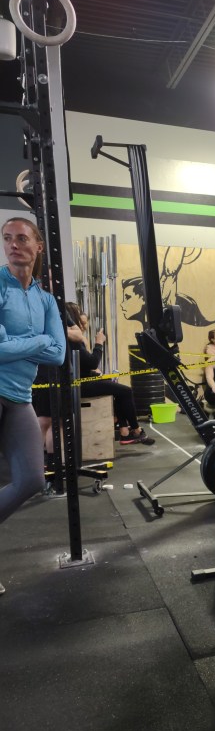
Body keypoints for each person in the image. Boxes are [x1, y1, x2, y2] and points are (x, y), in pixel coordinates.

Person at [1, 217, 67, 592]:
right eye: (7, 238)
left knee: (31, 481)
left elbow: (57, 354)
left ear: (38, 246)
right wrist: (37, 341)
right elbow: (45, 345)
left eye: (22, 238)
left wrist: (17, 343)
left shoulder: (46, 299)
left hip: (19, 397)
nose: (13, 245)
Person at [66, 302, 155, 446]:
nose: (83, 326)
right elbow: (92, 361)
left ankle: (125, 432)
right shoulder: (74, 340)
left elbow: (83, 364)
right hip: (79, 384)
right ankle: (136, 430)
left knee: (118, 389)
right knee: (125, 391)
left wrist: (93, 371)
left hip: (81, 379)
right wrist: (99, 343)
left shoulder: (74, 339)